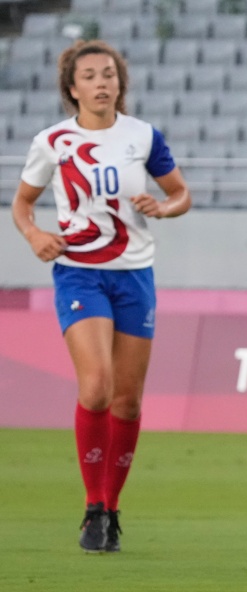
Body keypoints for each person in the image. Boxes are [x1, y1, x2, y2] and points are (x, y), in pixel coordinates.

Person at [11, 40, 191, 553]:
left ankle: (111, 507)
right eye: (89, 75)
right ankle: (92, 506)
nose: (101, 83)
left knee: (128, 402)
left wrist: (163, 207)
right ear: (72, 88)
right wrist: (34, 234)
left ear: (120, 82)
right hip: (79, 274)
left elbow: (181, 193)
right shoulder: (52, 142)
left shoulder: (142, 136)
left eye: (108, 74)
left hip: (134, 275)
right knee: (96, 388)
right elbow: (22, 204)